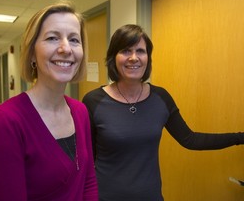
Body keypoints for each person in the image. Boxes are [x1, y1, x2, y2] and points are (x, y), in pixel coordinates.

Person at [82, 24, 244, 201]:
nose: (134, 58)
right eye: (126, 51)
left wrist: (240, 137)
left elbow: (190, 139)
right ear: (114, 57)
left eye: (140, 51)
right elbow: (86, 159)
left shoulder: (160, 98)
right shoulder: (93, 101)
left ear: (148, 58)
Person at [0, 2, 98, 201]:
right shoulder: (5, 121)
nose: (66, 48)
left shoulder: (80, 111)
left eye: (74, 39)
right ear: (32, 53)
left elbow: (88, 181)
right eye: (52, 38)